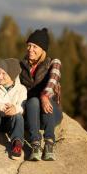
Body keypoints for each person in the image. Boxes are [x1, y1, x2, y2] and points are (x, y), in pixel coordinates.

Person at [20, 28, 62, 161]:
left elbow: (52, 81)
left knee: (43, 99)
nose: (30, 49)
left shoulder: (53, 63)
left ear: (43, 49)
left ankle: (49, 143)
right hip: (32, 115)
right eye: (29, 46)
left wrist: (44, 96)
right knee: (32, 101)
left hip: (50, 112)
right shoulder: (21, 65)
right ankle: (35, 145)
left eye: (34, 46)